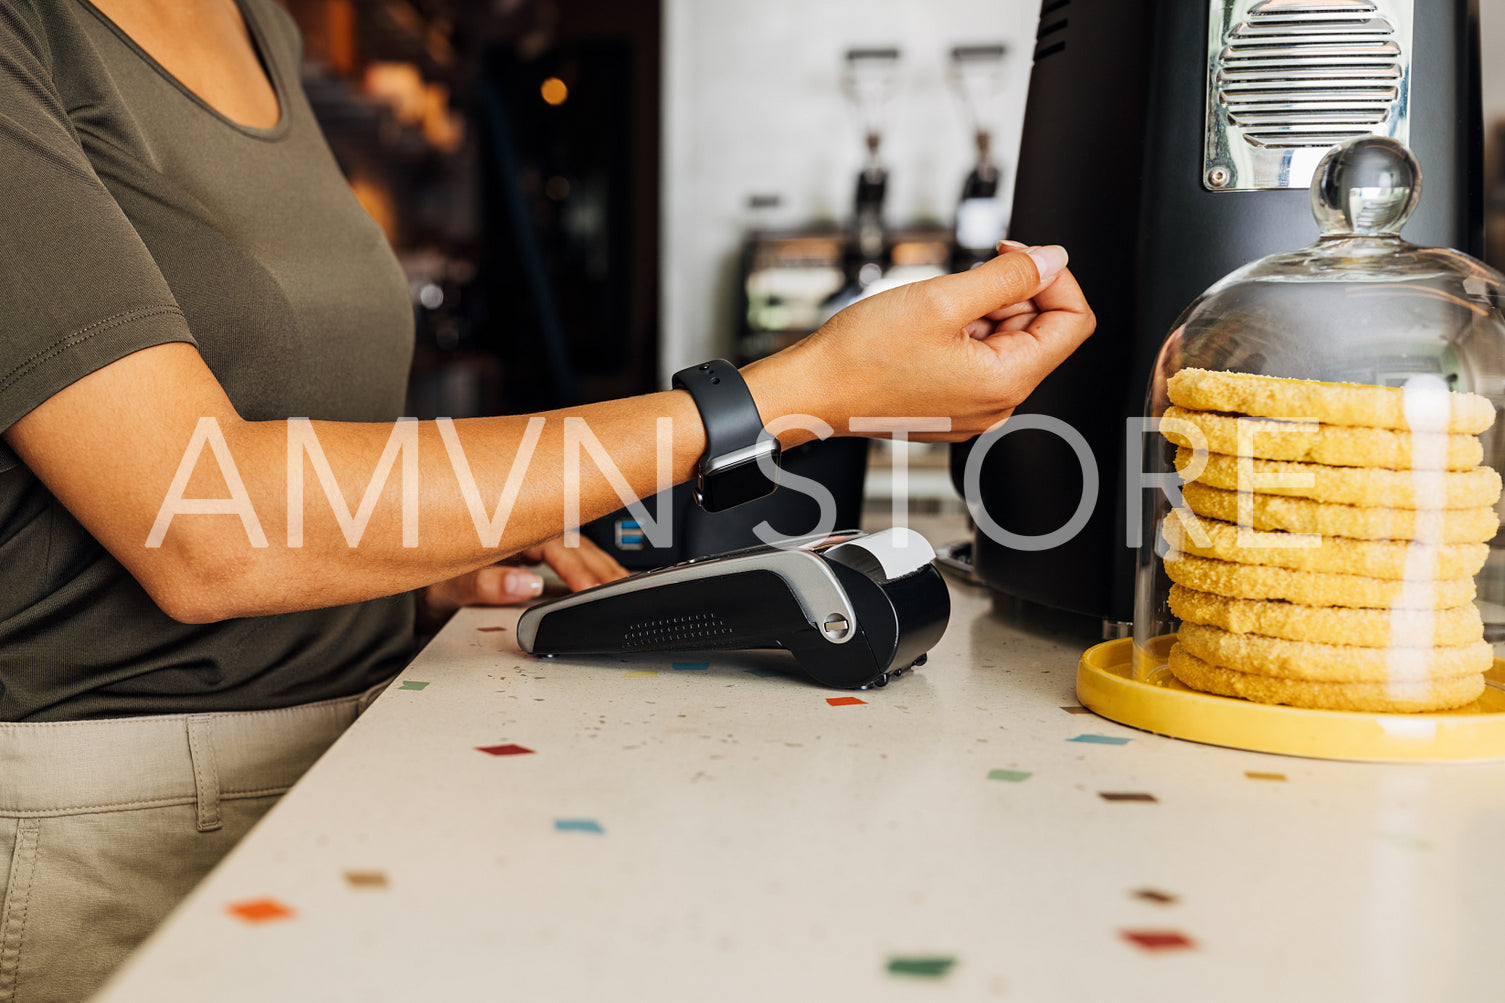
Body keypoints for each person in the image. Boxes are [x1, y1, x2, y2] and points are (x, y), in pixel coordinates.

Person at [0, 0, 1094, 999]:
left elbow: (280, 453)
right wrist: (799, 392)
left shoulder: (257, 26)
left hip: (365, 752)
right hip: (122, 820)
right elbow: (206, 525)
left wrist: (408, 559)